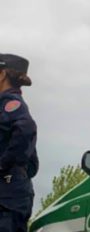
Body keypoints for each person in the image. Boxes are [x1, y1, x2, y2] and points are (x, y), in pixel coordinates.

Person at [0, 54, 38, 232]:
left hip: (7, 198)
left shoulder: (10, 103)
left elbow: (26, 129)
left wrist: (4, 165)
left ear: (2, 75)